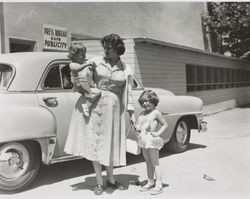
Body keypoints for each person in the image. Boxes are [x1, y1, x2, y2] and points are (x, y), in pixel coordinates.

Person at [64, 33, 136, 195]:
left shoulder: (126, 69)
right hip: (94, 106)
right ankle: (98, 182)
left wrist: (132, 115)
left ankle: (110, 179)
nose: (105, 51)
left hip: (113, 109)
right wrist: (80, 83)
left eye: (109, 48)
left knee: (109, 145)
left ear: (118, 49)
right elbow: (79, 77)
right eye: (104, 48)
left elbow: (128, 94)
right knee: (95, 144)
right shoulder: (95, 62)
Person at [135, 90, 168, 195]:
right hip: (143, 140)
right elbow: (139, 125)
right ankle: (150, 182)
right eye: (143, 102)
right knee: (148, 162)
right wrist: (137, 128)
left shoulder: (156, 113)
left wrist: (158, 133)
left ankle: (159, 184)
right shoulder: (142, 113)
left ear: (154, 101)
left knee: (155, 163)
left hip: (152, 140)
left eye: (148, 101)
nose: (145, 104)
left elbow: (165, 124)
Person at [68, 41, 101, 117]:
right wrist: (86, 64)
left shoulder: (83, 64)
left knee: (96, 92)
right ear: (74, 55)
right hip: (79, 84)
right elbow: (76, 69)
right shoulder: (72, 64)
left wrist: (92, 68)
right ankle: (87, 106)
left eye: (84, 54)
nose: (84, 57)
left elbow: (88, 73)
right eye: (82, 55)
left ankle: (88, 106)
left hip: (85, 84)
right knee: (95, 93)